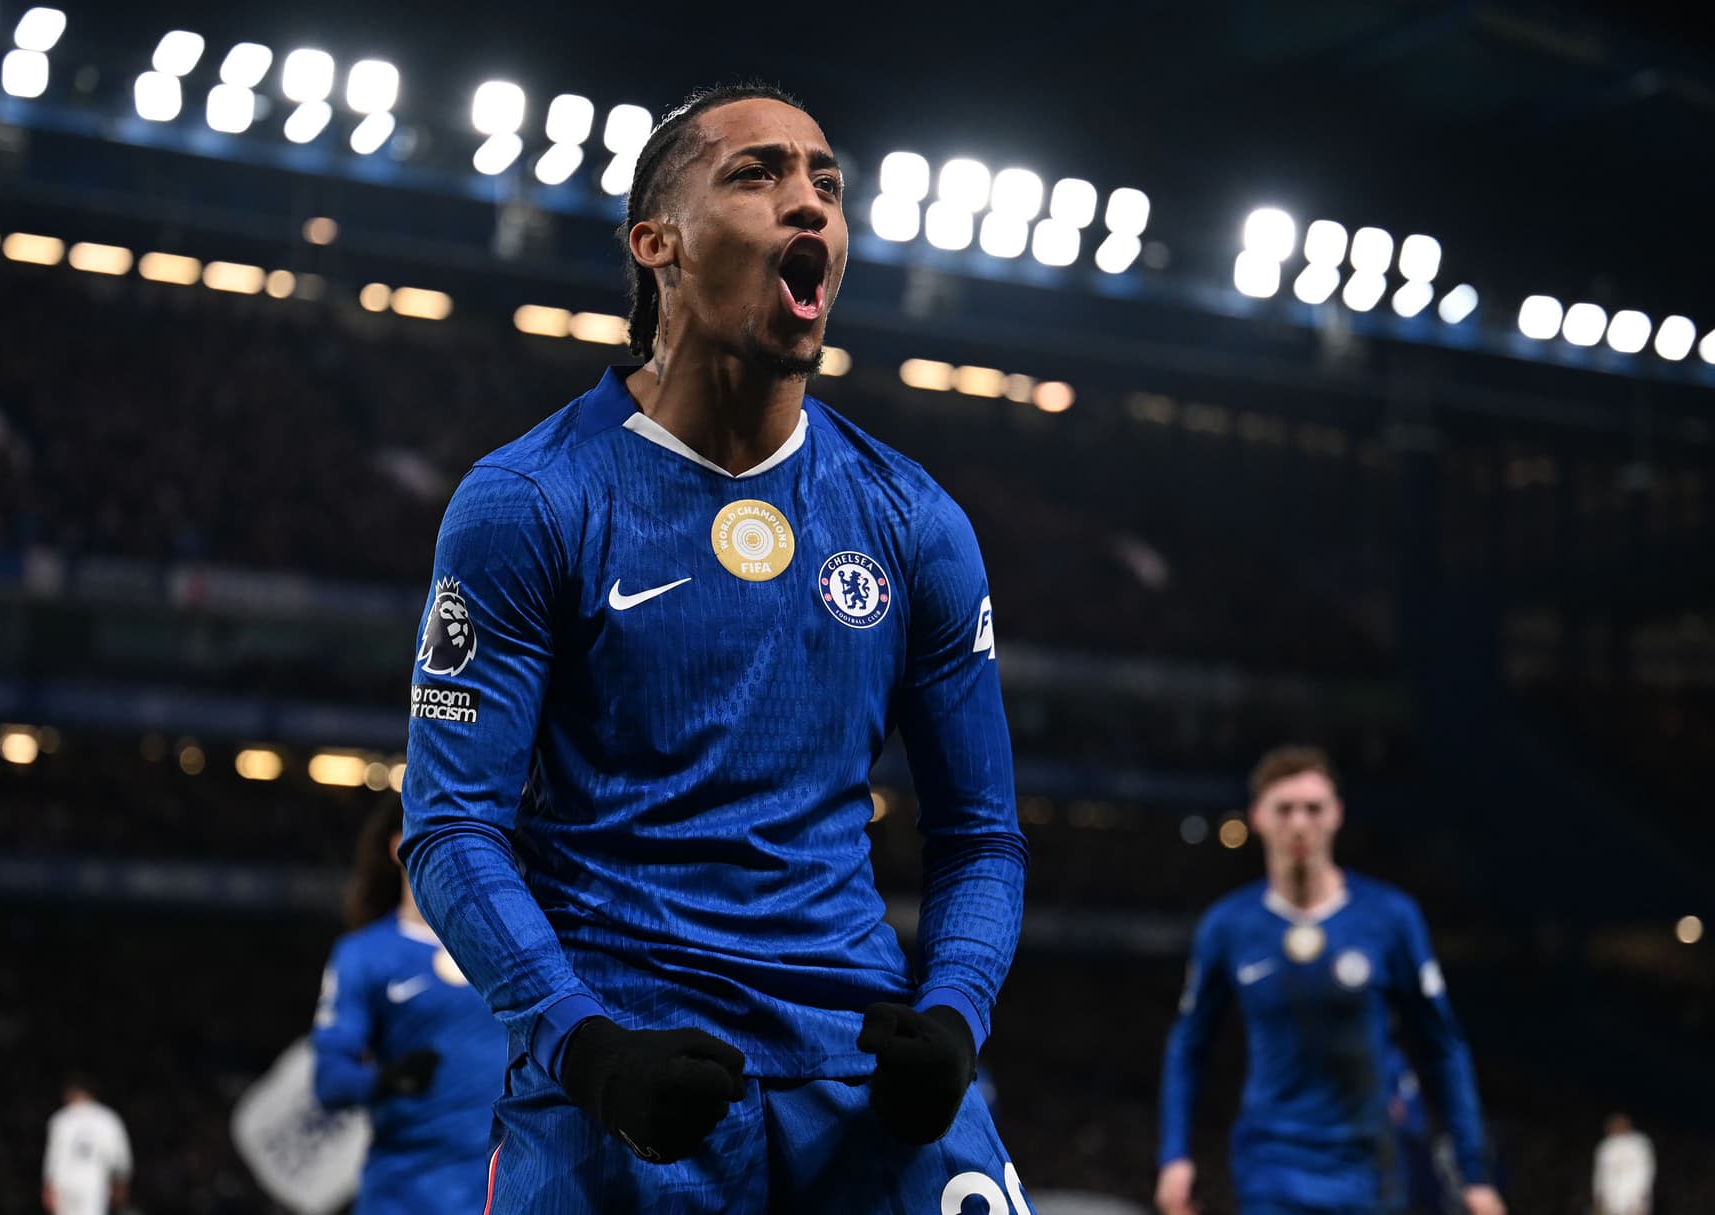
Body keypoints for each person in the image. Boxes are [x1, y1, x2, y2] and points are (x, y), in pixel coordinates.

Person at [401, 81, 1029, 1212]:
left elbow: (982, 837)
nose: (811, 205)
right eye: (760, 174)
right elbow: (449, 828)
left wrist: (955, 1017)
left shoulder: (915, 523)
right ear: (658, 245)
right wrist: (584, 1049)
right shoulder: (527, 502)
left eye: (827, 185)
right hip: (628, 1084)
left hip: (866, 1079)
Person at [1155, 745, 1506, 1215]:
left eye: (1313, 809)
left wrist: (1474, 1173)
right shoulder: (1228, 925)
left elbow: (1442, 1047)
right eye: (1285, 809)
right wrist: (1175, 1155)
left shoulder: (1390, 917)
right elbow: (1189, 1045)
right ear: (1257, 816)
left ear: (1336, 815)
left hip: (1373, 1161)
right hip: (1272, 1161)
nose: (1299, 823)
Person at [311, 800, 505, 1212]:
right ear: (397, 845)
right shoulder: (365, 956)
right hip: (405, 1195)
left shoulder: (508, 947)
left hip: (501, 1192)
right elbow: (329, 1079)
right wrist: (384, 1081)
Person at [41, 1077, 131, 1215]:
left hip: (64, 1182)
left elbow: (53, 1158)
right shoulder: (107, 1118)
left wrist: (48, 1186)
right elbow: (119, 1157)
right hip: (94, 1181)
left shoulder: (60, 1118)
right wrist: (121, 1183)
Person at [1592, 1112, 1655, 1215]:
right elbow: (1599, 1173)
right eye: (1613, 1125)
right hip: (1610, 1199)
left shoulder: (1639, 1143)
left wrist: (1640, 1199)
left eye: (1620, 1124)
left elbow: (1646, 1171)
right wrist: (1598, 1197)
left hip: (1634, 1198)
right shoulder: (1604, 1146)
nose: (1616, 1127)